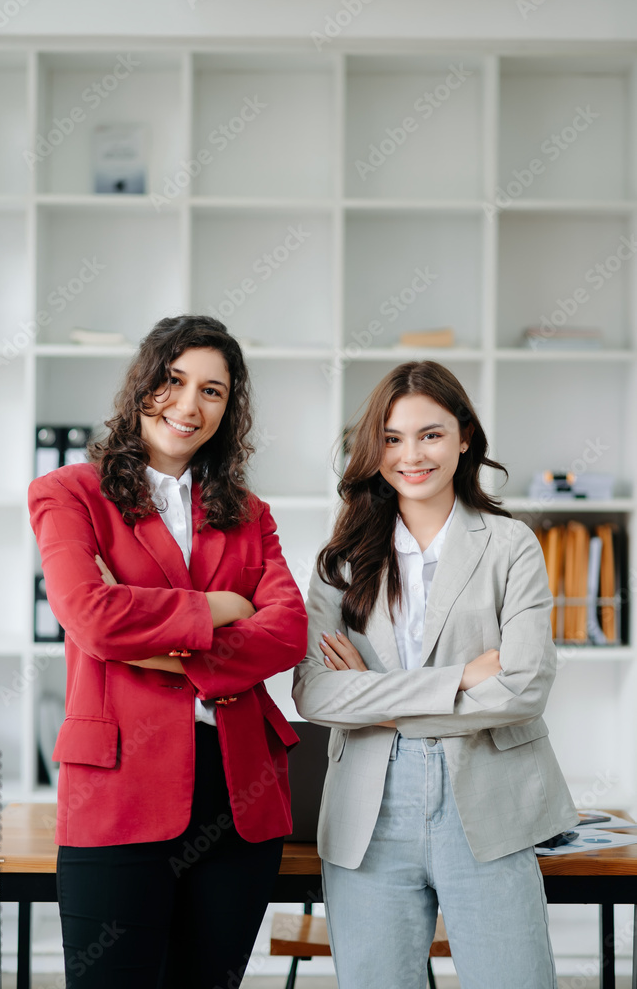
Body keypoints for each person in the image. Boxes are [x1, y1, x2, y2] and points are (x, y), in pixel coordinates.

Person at [29, 315, 307, 989]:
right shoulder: (69, 493)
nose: (189, 405)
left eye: (212, 391)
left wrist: (157, 644)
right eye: (174, 381)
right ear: (142, 385)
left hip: (237, 794)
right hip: (118, 783)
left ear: (228, 408)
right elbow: (91, 618)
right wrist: (217, 609)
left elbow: (287, 631)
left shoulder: (249, 512)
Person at [293, 360, 578, 989]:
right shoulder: (341, 561)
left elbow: (525, 686)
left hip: (489, 800)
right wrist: (458, 679)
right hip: (369, 811)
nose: (410, 455)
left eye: (431, 434)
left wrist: (374, 698)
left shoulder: (510, 545)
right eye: (391, 438)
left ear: (465, 437)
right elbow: (315, 692)